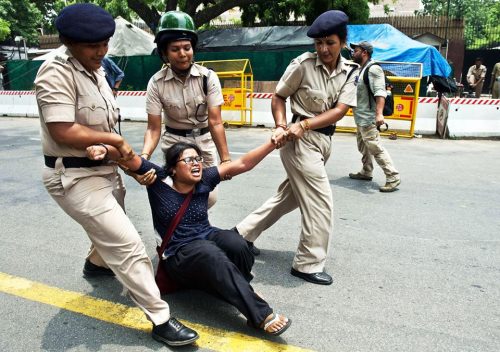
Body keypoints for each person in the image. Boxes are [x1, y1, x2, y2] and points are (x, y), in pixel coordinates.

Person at [34, 3, 198, 347]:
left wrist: (126, 162)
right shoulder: (54, 72)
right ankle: (160, 317)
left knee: (110, 228)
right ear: (67, 42)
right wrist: (115, 141)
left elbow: (100, 126)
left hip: (106, 170)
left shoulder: (95, 69)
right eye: (93, 46)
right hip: (74, 177)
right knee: (128, 245)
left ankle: (96, 264)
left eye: (105, 43)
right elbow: (63, 130)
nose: (102, 51)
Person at [86, 139, 292, 336]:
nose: (196, 164)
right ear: (173, 168)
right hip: (178, 253)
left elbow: (244, 163)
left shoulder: (205, 179)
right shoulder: (159, 179)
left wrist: (273, 143)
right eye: (189, 160)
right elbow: (127, 156)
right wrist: (106, 149)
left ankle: (241, 288)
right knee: (211, 254)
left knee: (237, 243)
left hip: (206, 236)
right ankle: (261, 315)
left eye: (198, 159)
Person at [235, 10, 358, 285]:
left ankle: (240, 235)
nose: (324, 49)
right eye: (319, 43)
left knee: (288, 197)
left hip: (321, 140)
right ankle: (307, 263)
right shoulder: (302, 65)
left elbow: (340, 111)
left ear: (342, 41)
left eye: (330, 43)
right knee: (320, 203)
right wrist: (281, 125)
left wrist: (305, 125)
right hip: (298, 142)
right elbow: (279, 97)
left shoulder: (351, 72)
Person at [138, 11, 230, 209]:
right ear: (164, 53)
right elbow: (153, 128)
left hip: (203, 144)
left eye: (187, 48)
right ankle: (173, 237)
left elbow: (215, 122)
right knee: (176, 195)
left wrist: (226, 159)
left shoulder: (208, 78)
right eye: (175, 49)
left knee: (208, 197)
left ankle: (191, 232)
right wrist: (143, 158)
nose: (182, 54)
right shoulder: (156, 83)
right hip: (175, 144)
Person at [348, 41, 400, 192]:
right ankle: (366, 171)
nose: (353, 53)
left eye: (356, 50)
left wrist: (379, 114)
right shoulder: (361, 68)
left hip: (369, 117)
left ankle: (393, 176)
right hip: (360, 116)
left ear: (364, 52)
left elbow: (380, 92)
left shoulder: (373, 69)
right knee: (362, 145)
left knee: (375, 147)